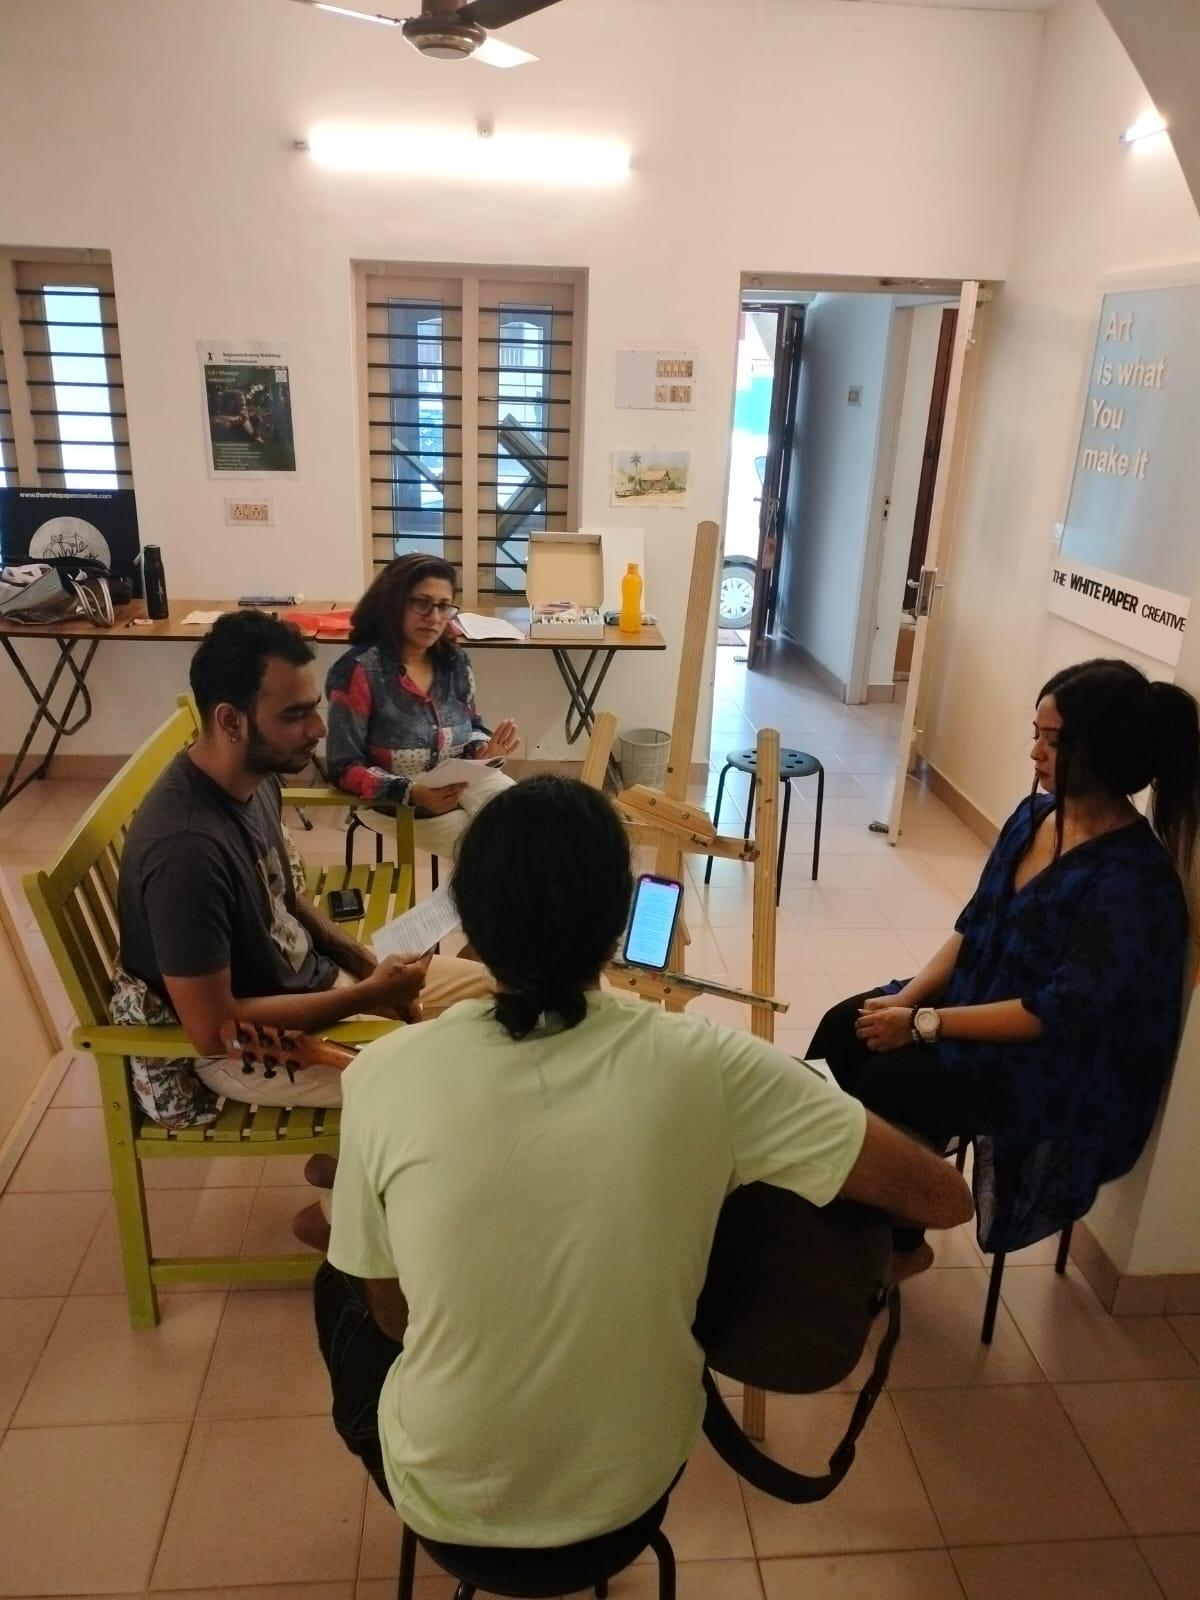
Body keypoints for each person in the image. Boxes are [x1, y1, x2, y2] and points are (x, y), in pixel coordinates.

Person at [315, 776, 972, 1547]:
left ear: (472, 933)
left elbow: (394, 1317)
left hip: (446, 1497)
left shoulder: (382, 1076)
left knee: (341, 1284)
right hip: (634, 1481)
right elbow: (946, 1200)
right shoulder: (710, 1064)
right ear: (620, 922)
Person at [807, 657, 1197, 1275]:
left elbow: (1056, 1015)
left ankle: (899, 1236)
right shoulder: (1035, 816)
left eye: (1052, 740)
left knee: (892, 1080)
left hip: (1055, 1061)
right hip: (980, 1000)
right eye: (1035, 733)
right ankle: (885, 1194)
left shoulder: (1132, 882)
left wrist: (924, 1024)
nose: (1034, 751)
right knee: (845, 1027)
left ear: (1102, 750)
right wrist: (908, 998)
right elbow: (974, 925)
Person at [114, 609, 491, 1131]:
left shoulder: (254, 776)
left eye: (313, 708)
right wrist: (369, 995)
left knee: (504, 989)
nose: (317, 729)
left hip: (314, 986)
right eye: (294, 715)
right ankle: (341, 1194)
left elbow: (285, 901)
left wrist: (363, 962)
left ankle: (338, 1179)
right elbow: (213, 1030)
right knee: (454, 1088)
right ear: (230, 720)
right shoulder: (187, 851)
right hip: (252, 1051)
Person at [325, 554, 518, 861]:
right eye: (422, 603)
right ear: (394, 604)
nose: (434, 616)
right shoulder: (358, 672)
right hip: (397, 802)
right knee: (494, 852)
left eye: (444, 606)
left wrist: (484, 751)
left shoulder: (454, 662)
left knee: (534, 820)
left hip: (462, 782)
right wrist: (411, 792)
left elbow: (472, 726)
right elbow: (342, 767)